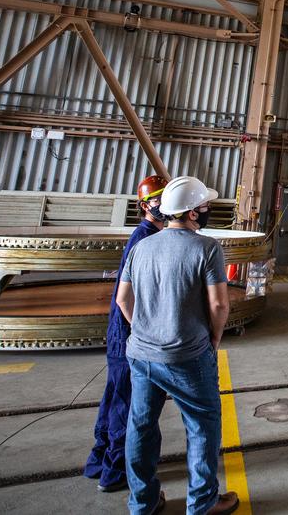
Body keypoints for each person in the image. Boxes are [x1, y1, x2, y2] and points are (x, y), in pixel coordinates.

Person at [117, 175, 238, 515]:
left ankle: (142, 503)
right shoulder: (207, 247)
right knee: (202, 426)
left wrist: (145, 330)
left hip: (141, 354)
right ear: (194, 212)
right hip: (187, 354)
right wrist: (213, 337)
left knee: (140, 426)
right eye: (205, 206)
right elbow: (219, 305)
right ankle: (201, 503)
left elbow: (124, 300)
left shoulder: (141, 246)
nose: (208, 211)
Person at [84, 174, 168, 493]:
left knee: (113, 399)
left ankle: (98, 460)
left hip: (122, 333)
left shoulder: (146, 234)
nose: (163, 204)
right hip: (128, 335)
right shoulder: (145, 239)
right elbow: (127, 296)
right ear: (145, 205)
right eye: (157, 199)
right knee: (126, 405)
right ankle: (115, 471)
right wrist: (141, 331)